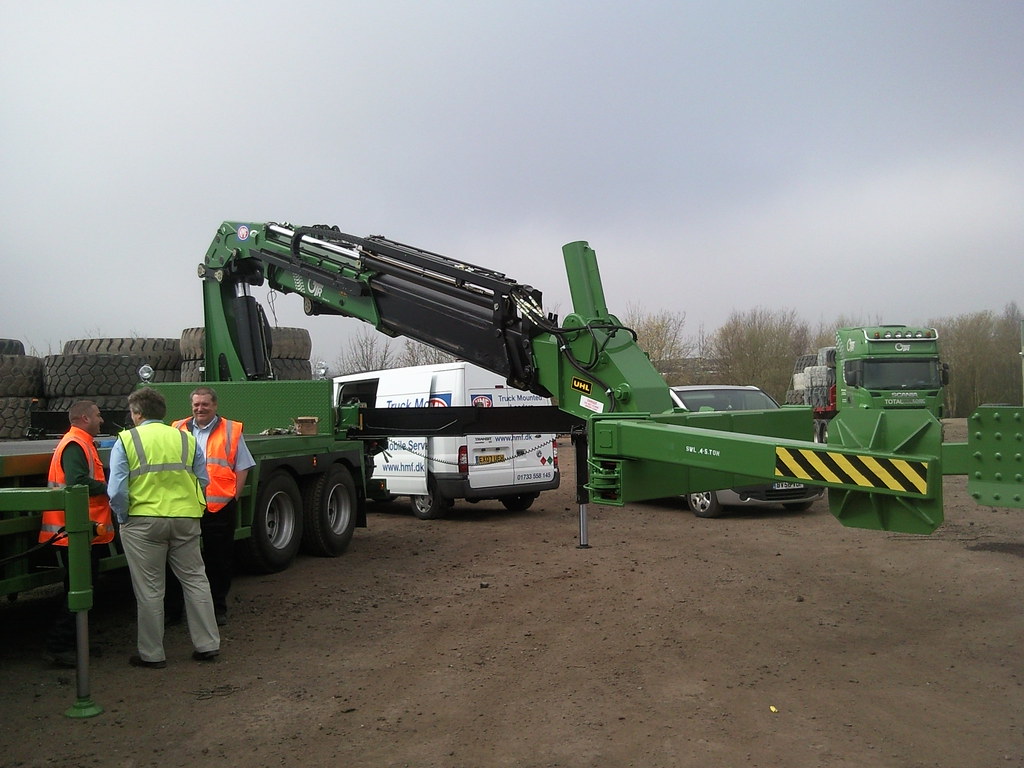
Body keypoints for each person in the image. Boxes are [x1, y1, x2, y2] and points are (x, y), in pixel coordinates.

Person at [107, 387, 220, 668]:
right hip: (184, 518)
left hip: (142, 522)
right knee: (196, 581)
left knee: (150, 590)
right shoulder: (186, 438)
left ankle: (152, 654)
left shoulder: (127, 440)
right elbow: (203, 480)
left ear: (137, 413)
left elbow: (117, 491)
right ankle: (208, 645)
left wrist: (123, 518)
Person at [166, 385, 254, 626]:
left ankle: (217, 609)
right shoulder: (177, 428)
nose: (200, 408)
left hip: (218, 507)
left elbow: (243, 465)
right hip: (184, 505)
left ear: (215, 405)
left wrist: (233, 496)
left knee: (219, 560)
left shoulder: (230, 429)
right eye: (196, 404)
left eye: (205, 404)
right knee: (178, 559)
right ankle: (174, 611)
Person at [40, 400, 115, 668]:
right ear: (84, 418)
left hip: (79, 530)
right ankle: (59, 646)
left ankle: (75, 642)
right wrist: (110, 486)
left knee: (80, 587)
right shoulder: (75, 444)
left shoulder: (80, 442)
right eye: (97, 415)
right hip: (74, 530)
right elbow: (78, 482)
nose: (101, 419)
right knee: (79, 589)